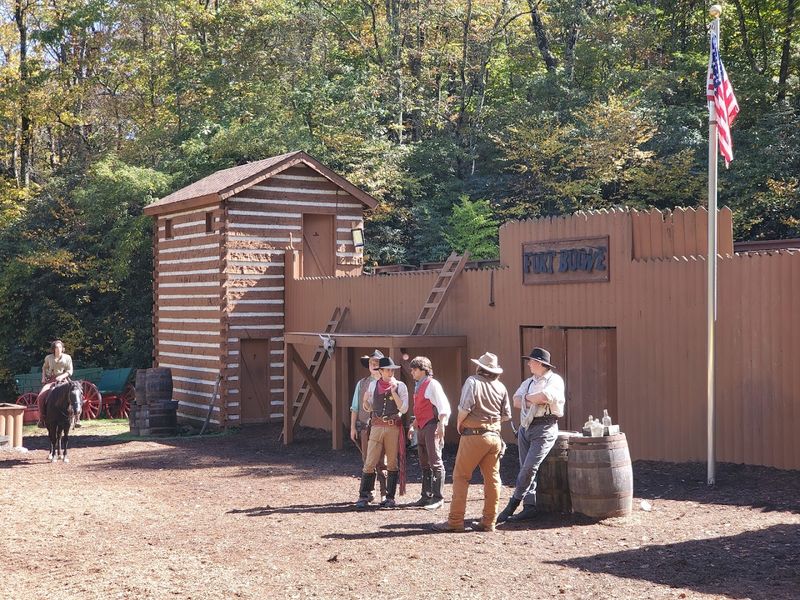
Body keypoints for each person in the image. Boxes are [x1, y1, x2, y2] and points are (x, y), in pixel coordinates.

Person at [432, 352, 511, 532]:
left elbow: (464, 409)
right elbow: (506, 415)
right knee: (492, 479)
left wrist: (460, 425)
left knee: (461, 477)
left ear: (479, 367)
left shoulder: (472, 381)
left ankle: (455, 521)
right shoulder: (501, 386)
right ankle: (489, 521)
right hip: (494, 437)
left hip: (473, 436)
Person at [496, 347, 565, 523]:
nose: (528, 364)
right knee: (525, 467)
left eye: (531, 361)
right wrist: (532, 398)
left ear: (540, 363)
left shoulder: (555, 380)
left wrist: (527, 398)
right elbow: (516, 401)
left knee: (529, 467)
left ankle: (513, 504)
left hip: (545, 426)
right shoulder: (529, 382)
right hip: (526, 427)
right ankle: (529, 506)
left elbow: (545, 397)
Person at [355, 356, 409, 509]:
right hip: (377, 426)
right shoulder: (373, 385)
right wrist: (365, 401)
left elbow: (404, 409)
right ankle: (363, 495)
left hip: (393, 427)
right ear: (381, 371)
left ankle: (390, 498)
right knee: (370, 461)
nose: (391, 373)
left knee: (392, 462)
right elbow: (370, 408)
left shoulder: (400, 386)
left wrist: (394, 393)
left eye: (392, 370)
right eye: (388, 370)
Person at [407, 356, 450, 510]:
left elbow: (443, 406)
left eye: (414, 369)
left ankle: (438, 498)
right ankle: (426, 496)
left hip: (432, 426)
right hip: (422, 427)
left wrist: (442, 424)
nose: (412, 372)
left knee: (435, 461)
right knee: (424, 462)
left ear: (423, 370)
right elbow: (419, 409)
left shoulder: (432, 384)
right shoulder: (419, 385)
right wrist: (413, 426)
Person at [350, 349, 387, 502]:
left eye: (377, 362)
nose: (373, 365)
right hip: (365, 427)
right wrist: (353, 427)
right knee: (367, 460)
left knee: (382, 461)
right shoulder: (362, 384)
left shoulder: (389, 383)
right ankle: (368, 492)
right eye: (371, 362)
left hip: (383, 427)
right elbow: (355, 407)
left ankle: (385, 493)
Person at [37, 340, 74, 428]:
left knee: (74, 394)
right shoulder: (48, 358)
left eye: (60, 347)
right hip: (51, 380)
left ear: (62, 348)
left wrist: (62, 376)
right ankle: (42, 419)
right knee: (41, 396)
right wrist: (43, 377)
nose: (58, 349)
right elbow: (44, 368)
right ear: (53, 349)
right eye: (56, 347)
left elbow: (70, 371)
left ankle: (76, 418)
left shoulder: (67, 357)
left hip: (64, 380)